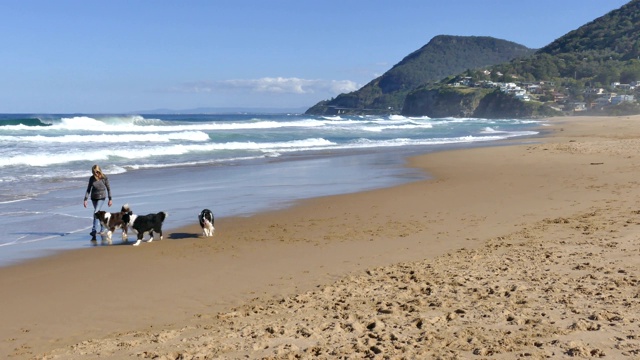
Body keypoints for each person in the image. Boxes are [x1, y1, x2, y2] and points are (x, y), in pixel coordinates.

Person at [83, 164, 113, 241]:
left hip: (102, 197)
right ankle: (102, 229)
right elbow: (88, 189)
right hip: (94, 198)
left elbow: (109, 188)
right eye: (94, 172)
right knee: (98, 213)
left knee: (96, 212)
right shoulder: (91, 178)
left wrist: (110, 199)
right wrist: (85, 199)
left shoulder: (104, 177)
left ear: (99, 171)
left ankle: (93, 230)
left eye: (96, 172)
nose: (95, 173)